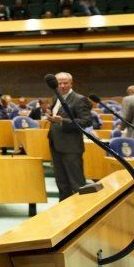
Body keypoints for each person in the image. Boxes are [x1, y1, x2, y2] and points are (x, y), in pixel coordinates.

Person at [47, 71, 93, 200]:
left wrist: (62, 121)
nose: (62, 86)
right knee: (61, 183)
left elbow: (86, 121)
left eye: (65, 83)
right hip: (56, 144)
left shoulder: (79, 99)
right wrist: (51, 116)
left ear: (71, 83)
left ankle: (84, 212)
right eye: (59, 83)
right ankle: (64, 212)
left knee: (77, 183)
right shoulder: (56, 97)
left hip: (71, 147)